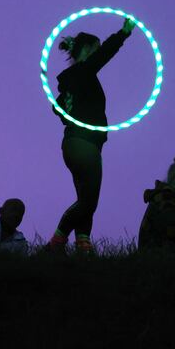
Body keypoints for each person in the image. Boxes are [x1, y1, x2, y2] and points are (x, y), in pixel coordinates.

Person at [47, 17, 136, 253]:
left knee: (86, 198)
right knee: (89, 201)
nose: (97, 54)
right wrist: (123, 33)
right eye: (94, 49)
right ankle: (56, 242)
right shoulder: (83, 73)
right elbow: (104, 54)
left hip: (74, 144)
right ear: (86, 50)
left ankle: (83, 245)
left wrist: (66, 106)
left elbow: (58, 109)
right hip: (85, 144)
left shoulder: (73, 82)